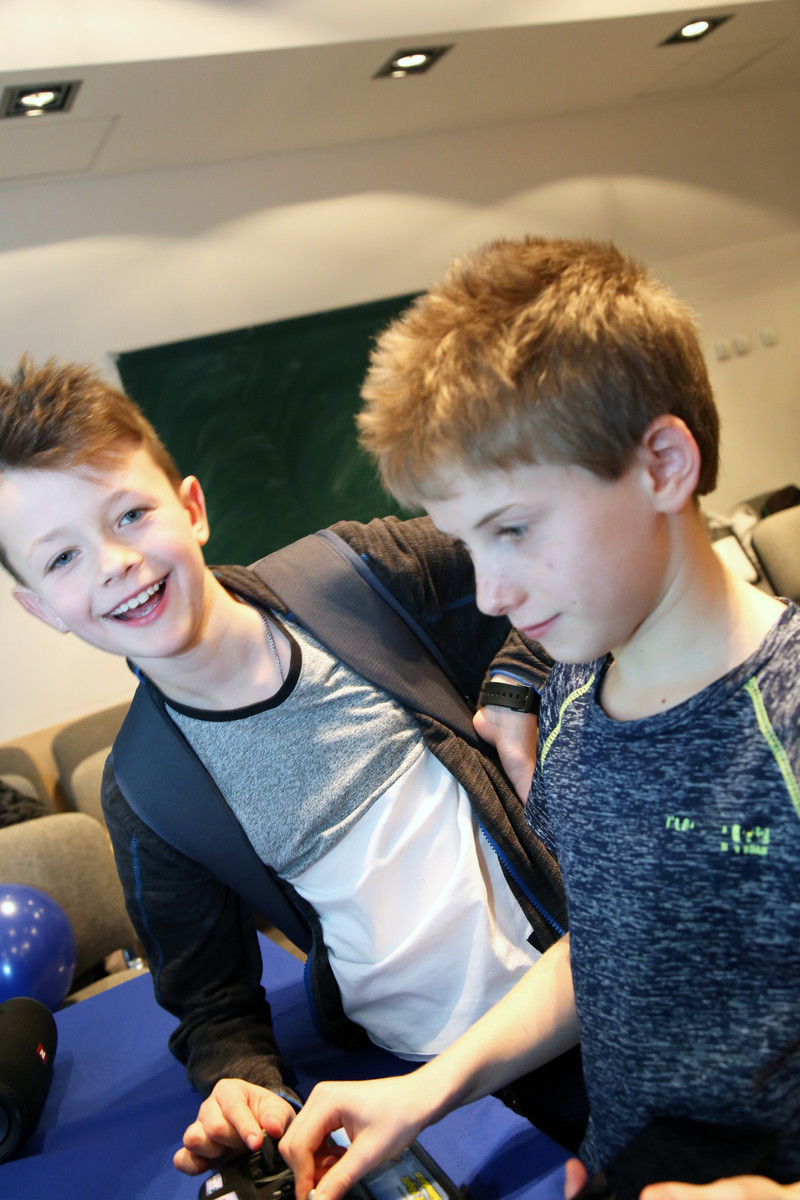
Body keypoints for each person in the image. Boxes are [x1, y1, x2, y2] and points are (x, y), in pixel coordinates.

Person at [278, 236, 800, 1200]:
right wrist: (425, 1094)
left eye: (513, 529)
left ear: (663, 464)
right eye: (469, 544)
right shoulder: (570, 704)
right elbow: (605, 948)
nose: (489, 593)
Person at [0, 356, 588, 1177]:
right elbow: (213, 1003)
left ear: (192, 508)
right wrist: (240, 1081)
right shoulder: (146, 791)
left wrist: (516, 685)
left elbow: (550, 557)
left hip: (589, 983)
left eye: (130, 514)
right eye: (61, 559)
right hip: (428, 1082)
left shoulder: (359, 577)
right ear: (39, 608)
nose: (112, 562)